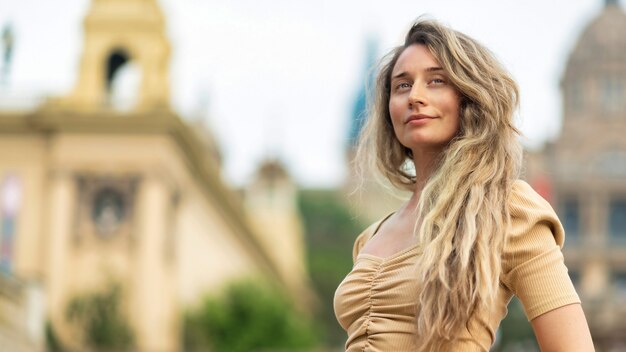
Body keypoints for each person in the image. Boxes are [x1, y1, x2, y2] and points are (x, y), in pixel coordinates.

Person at [333, 19, 594, 352]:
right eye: (402, 85)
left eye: (436, 81)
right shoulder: (370, 237)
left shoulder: (509, 209)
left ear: (468, 99)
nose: (415, 96)